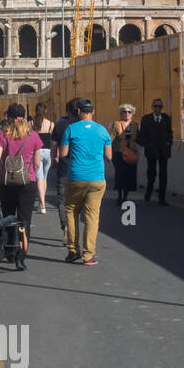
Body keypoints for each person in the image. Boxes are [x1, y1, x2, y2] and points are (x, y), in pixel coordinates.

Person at [58, 99, 112, 265]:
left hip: (76, 177)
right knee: (92, 216)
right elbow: (109, 157)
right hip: (96, 178)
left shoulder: (71, 129)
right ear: (93, 111)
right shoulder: (103, 130)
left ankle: (73, 251)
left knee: (71, 211)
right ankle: (89, 255)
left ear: (79, 111)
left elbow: (63, 153)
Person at [0, 103, 43, 268]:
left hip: (7, 183)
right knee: (24, 220)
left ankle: (9, 252)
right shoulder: (33, 136)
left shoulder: (1, 135)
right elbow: (37, 163)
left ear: (9, 118)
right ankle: (21, 257)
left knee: (8, 218)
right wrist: (28, 172)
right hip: (28, 183)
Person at [52, 97, 80, 247]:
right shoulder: (85, 125)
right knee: (79, 201)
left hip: (64, 167)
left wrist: (52, 159)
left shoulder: (61, 124)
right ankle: (76, 229)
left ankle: (66, 227)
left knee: (63, 200)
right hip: (82, 169)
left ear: (67, 110)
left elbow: (54, 145)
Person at [137, 98, 173, 205]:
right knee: (152, 173)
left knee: (163, 175)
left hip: (164, 151)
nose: (158, 108)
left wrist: (169, 142)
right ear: (152, 107)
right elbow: (141, 136)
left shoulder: (166, 118)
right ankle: (149, 191)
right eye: (156, 106)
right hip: (151, 151)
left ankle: (162, 199)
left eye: (160, 106)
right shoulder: (146, 119)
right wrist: (148, 145)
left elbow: (170, 132)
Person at [108, 103, 139, 206]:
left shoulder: (135, 125)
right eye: (124, 112)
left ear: (132, 114)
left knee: (130, 175)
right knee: (120, 175)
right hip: (119, 153)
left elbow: (139, 138)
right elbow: (111, 138)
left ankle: (126, 196)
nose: (127, 114)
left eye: (129, 112)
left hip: (131, 153)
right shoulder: (116, 124)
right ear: (120, 113)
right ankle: (119, 195)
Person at [34, 102, 54, 215]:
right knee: (44, 178)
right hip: (48, 152)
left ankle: (42, 205)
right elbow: (53, 141)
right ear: (45, 111)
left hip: (37, 152)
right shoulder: (51, 124)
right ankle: (42, 202)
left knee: (39, 179)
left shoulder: (31, 123)